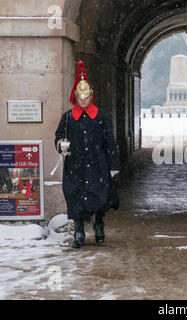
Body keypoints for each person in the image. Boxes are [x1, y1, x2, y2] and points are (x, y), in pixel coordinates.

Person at [55, 61, 120, 249]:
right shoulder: (68, 117)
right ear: (76, 96)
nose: (83, 100)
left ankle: (99, 225)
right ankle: (78, 232)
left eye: (86, 96)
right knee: (75, 199)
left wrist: (113, 164)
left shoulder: (100, 116)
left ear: (91, 96)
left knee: (98, 197)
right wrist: (61, 146)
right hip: (75, 166)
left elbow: (109, 141)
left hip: (97, 164)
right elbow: (58, 137)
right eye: (80, 96)